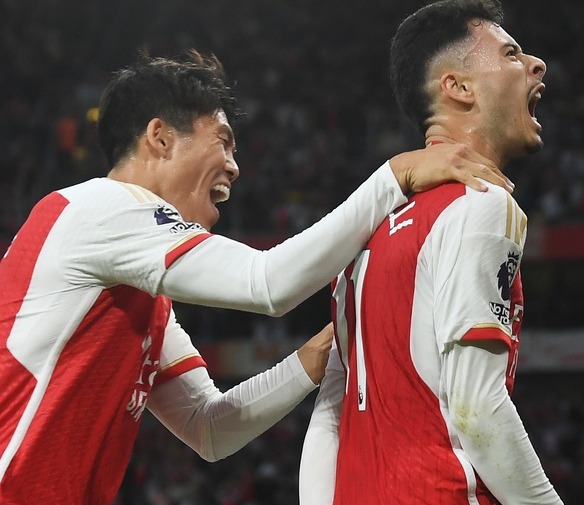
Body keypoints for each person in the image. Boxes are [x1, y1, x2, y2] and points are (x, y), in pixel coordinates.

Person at [0, 50, 510, 504]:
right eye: (222, 141)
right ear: (159, 137)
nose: (235, 166)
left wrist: (323, 354)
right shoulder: (99, 209)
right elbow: (265, 283)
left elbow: (209, 428)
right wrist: (392, 178)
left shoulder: (140, 293)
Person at [298, 1, 561, 503]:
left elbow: (328, 419)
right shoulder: (482, 205)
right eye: (510, 54)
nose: (535, 64)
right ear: (458, 87)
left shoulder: (361, 239)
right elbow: (477, 409)